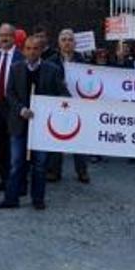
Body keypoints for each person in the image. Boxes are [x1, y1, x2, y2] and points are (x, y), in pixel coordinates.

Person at [0, 36, 70, 210]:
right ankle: (11, 198)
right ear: (23, 50)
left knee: (40, 165)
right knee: (16, 164)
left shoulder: (52, 70)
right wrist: (21, 109)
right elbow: (10, 94)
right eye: (28, 48)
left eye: (35, 48)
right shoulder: (15, 68)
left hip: (42, 126)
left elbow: (64, 95)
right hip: (20, 124)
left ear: (41, 50)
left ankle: (38, 199)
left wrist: (51, 107)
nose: (31, 52)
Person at [48, 28, 90, 184]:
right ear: (59, 43)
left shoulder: (83, 62)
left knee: (79, 138)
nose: (67, 42)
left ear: (75, 43)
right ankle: (54, 171)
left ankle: (82, 171)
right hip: (58, 104)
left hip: (78, 104)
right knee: (56, 137)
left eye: (70, 40)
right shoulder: (51, 61)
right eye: (64, 39)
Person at [0, 24, 19, 191]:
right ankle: (5, 179)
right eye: (1, 35)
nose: (4, 38)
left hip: (15, 107)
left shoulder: (21, 57)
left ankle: (18, 181)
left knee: (16, 146)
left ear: (14, 37)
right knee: (0, 145)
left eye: (7, 35)